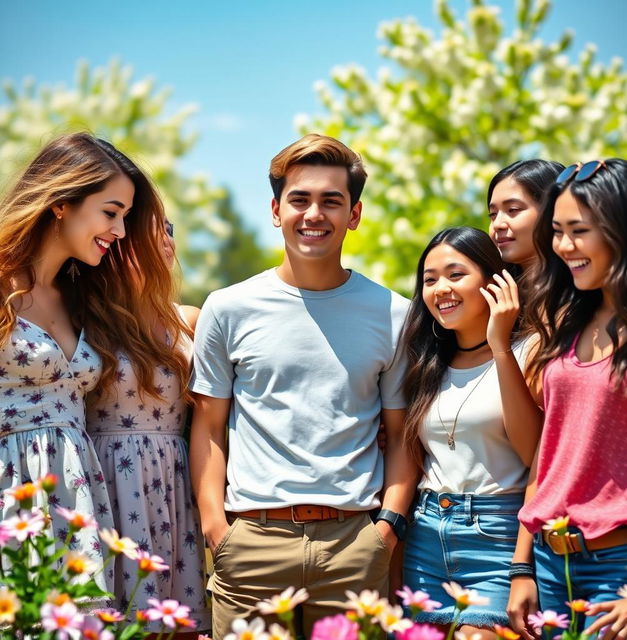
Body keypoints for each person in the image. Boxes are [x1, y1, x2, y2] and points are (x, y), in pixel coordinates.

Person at [189, 134, 415, 638]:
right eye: (300, 199)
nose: (314, 213)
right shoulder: (227, 308)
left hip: (354, 544)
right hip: (251, 544)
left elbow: (402, 436)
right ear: (276, 210)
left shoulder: (394, 314)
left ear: (354, 215)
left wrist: (387, 531)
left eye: (332, 201)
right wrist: (217, 532)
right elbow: (208, 427)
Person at [0, 132, 162, 592]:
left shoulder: (86, 298)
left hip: (79, 498)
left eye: (126, 217)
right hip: (11, 499)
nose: (120, 231)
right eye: (110, 212)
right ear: (61, 202)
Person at [509, 159, 627, 640]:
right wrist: (522, 567)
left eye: (578, 231)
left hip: (622, 570)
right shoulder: (565, 322)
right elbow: (548, 455)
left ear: (623, 231)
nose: (563, 247)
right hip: (548, 564)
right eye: (557, 232)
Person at [401, 227, 542, 638]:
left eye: (456, 274)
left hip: (499, 535)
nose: (441, 289)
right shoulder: (422, 362)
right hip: (425, 537)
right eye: (429, 280)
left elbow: (536, 454)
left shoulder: (529, 350)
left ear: (495, 281)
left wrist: (500, 346)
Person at [86, 215, 208, 635]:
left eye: (170, 232)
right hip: (105, 481)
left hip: (173, 484)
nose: (165, 241)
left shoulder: (189, 319)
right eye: (150, 235)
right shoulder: (86, 318)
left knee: (182, 623)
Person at [488, 160, 564, 273]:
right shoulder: (487, 287)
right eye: (493, 214)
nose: (497, 224)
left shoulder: (590, 287)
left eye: (513, 209)